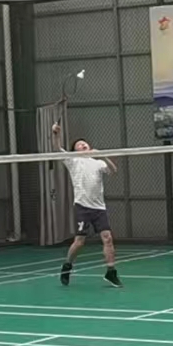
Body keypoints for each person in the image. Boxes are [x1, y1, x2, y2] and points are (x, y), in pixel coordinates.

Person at [49, 121, 121, 288]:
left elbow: (113, 171)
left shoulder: (98, 163)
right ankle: (67, 265)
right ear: (75, 151)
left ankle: (111, 272)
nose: (83, 145)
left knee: (108, 238)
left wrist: (103, 155)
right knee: (80, 241)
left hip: (99, 207)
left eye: (84, 143)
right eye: (79, 145)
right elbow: (57, 148)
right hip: (82, 206)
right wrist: (56, 134)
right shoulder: (73, 161)